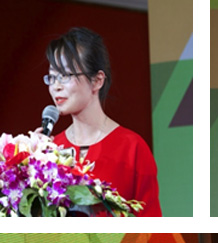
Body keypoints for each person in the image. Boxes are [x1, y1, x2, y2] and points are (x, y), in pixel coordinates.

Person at [45, 26, 162, 216]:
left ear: (97, 80)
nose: (55, 86)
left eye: (65, 76)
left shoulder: (132, 148)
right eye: (51, 77)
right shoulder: (49, 150)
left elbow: (151, 224)